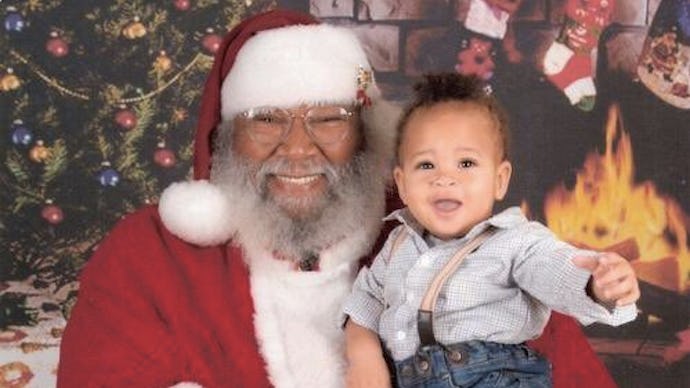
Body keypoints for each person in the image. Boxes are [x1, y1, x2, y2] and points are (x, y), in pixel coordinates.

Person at [58, 9, 629, 388]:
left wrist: (593, 281)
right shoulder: (148, 255)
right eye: (266, 121)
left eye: (328, 119)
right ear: (226, 138)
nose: (299, 149)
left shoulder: (438, 233)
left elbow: (557, 336)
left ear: (365, 132)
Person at [342, 73, 640, 388]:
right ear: (402, 184)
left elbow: (552, 267)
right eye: (426, 165)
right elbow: (368, 297)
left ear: (500, 179)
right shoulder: (397, 244)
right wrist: (362, 351)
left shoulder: (514, 242)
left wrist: (597, 285)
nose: (445, 178)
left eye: (466, 163)